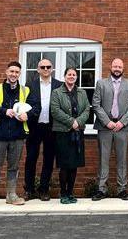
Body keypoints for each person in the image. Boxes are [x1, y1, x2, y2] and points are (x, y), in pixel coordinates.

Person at [0, 61, 34, 208]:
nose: (14, 74)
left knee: (14, 166)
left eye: (17, 72)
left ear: (19, 74)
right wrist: (3, 111)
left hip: (17, 135)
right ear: (6, 72)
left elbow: (34, 108)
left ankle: (12, 195)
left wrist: (27, 115)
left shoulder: (25, 91)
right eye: (11, 71)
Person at [91, 58, 128, 201]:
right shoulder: (101, 83)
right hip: (105, 127)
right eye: (115, 66)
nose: (117, 68)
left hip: (122, 127)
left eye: (119, 66)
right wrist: (107, 122)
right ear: (110, 67)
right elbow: (96, 104)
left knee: (122, 159)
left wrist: (122, 122)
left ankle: (122, 189)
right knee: (103, 159)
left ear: (123, 68)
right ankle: (101, 189)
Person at [49, 67, 90, 204]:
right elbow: (55, 110)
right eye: (69, 74)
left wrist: (78, 122)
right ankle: (63, 193)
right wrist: (71, 121)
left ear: (76, 77)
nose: (71, 77)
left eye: (74, 75)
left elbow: (86, 110)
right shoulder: (57, 92)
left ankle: (71, 192)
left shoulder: (82, 92)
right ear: (65, 76)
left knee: (74, 164)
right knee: (64, 165)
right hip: (63, 133)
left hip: (78, 133)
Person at [24, 58, 62, 201]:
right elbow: (25, 105)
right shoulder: (30, 85)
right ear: (38, 69)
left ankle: (44, 189)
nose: (46, 69)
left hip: (52, 127)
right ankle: (29, 189)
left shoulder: (59, 85)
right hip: (34, 126)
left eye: (48, 67)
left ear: (52, 69)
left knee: (48, 159)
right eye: (43, 67)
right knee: (31, 158)